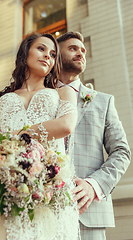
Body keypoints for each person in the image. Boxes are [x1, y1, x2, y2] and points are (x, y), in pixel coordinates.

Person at [0, 33, 79, 240]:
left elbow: (66, 126)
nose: (47, 56)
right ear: (25, 53)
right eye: (41, 49)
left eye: (52, 54)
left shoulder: (62, 93)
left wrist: (16, 136)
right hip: (7, 193)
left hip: (48, 191)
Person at [57, 31, 131, 240]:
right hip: (43, 212)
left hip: (89, 213)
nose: (80, 53)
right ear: (56, 55)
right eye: (73, 48)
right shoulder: (40, 98)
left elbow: (122, 152)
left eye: (83, 50)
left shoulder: (103, 101)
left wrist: (93, 185)